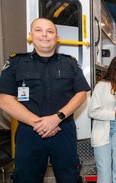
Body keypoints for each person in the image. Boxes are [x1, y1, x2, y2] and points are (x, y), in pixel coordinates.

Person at [0, 18, 91, 183]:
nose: (44, 35)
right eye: (38, 30)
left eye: (50, 31)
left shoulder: (70, 63)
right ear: (30, 35)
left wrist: (57, 118)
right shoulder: (15, 62)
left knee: (69, 178)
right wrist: (39, 123)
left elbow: (81, 93)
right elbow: (5, 99)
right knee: (26, 178)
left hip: (63, 131)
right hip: (29, 134)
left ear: (57, 37)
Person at [88, 54, 116, 183]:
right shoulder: (102, 85)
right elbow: (92, 111)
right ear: (114, 67)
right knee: (104, 172)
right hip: (103, 129)